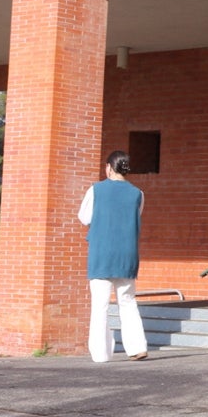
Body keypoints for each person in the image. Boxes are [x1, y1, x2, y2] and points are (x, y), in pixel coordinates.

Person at [78, 150, 148, 362]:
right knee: (127, 301)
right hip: (127, 253)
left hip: (102, 253)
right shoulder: (138, 193)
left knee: (100, 306)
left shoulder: (96, 190)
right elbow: (136, 215)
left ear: (108, 167)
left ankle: (101, 354)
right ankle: (136, 347)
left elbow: (84, 217)